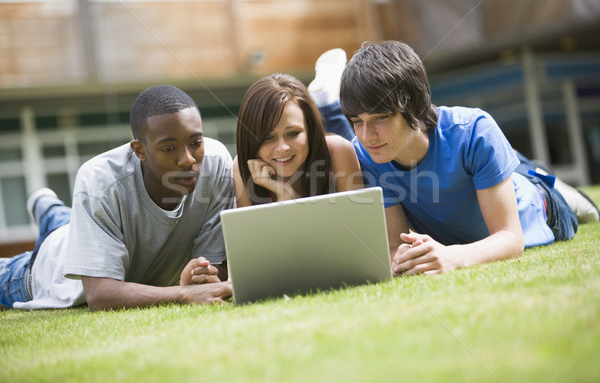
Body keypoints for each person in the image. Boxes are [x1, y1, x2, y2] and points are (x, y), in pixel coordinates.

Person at [308, 42, 599, 276]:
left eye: (381, 118)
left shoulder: (473, 129)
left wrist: (453, 256)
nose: (367, 134)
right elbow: (396, 246)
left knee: (539, 181)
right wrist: (404, 257)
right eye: (356, 121)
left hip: (544, 205)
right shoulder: (368, 156)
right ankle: (333, 106)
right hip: (470, 166)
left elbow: (511, 238)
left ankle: (557, 186)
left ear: (419, 106)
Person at [0, 85, 233, 310]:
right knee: (59, 233)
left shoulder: (216, 163)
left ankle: (47, 208)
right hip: (45, 267)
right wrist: (183, 293)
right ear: (140, 150)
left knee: (65, 221)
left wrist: (201, 277)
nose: (188, 159)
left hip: (83, 230)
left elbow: (213, 276)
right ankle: (48, 208)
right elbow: (100, 296)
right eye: (169, 148)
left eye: (196, 143)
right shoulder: (99, 180)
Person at [233, 73, 362, 206]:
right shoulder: (242, 166)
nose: (282, 148)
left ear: (310, 130)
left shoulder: (340, 151)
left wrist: (291, 202)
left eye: (293, 133)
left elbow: (356, 224)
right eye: (268, 137)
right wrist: (283, 194)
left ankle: (327, 101)